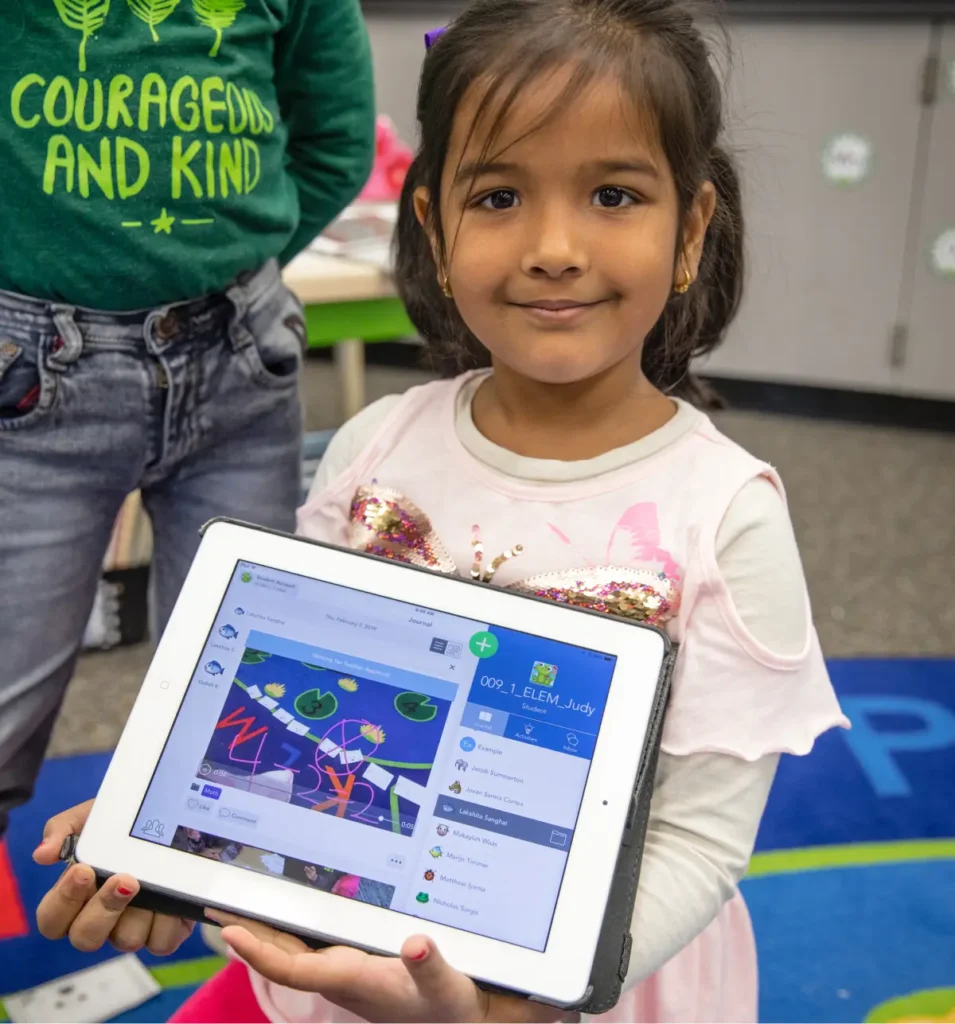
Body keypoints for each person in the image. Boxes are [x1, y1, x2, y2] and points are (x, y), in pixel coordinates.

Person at [31, 1, 849, 1021]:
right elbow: (290, 693)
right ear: (432, 224)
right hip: (352, 934)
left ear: (689, 232)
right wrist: (171, 838)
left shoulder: (722, 513)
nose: (553, 246)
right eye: (499, 195)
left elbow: (695, 842)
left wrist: (527, 1001)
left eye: (611, 193)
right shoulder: (377, 442)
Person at [0, 1, 375, 838]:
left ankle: (253, 957)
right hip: (30, 377)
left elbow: (335, 139)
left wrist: (234, 278)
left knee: (246, 723)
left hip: (237, 361)